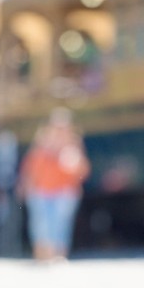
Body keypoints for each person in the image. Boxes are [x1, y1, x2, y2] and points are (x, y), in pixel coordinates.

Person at [18, 108, 91, 261]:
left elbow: (83, 171)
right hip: (41, 191)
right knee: (41, 226)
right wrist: (25, 186)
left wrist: (74, 162)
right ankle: (42, 257)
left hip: (65, 192)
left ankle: (58, 256)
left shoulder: (73, 144)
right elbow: (31, 167)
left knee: (60, 225)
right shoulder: (41, 142)